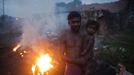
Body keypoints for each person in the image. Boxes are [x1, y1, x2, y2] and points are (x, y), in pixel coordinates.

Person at [59, 11, 84, 75]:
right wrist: (76, 61)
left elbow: (88, 52)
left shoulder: (84, 35)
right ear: (69, 23)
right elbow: (61, 55)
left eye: (78, 22)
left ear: (80, 22)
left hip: (84, 67)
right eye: (73, 22)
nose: (76, 24)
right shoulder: (64, 35)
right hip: (71, 68)